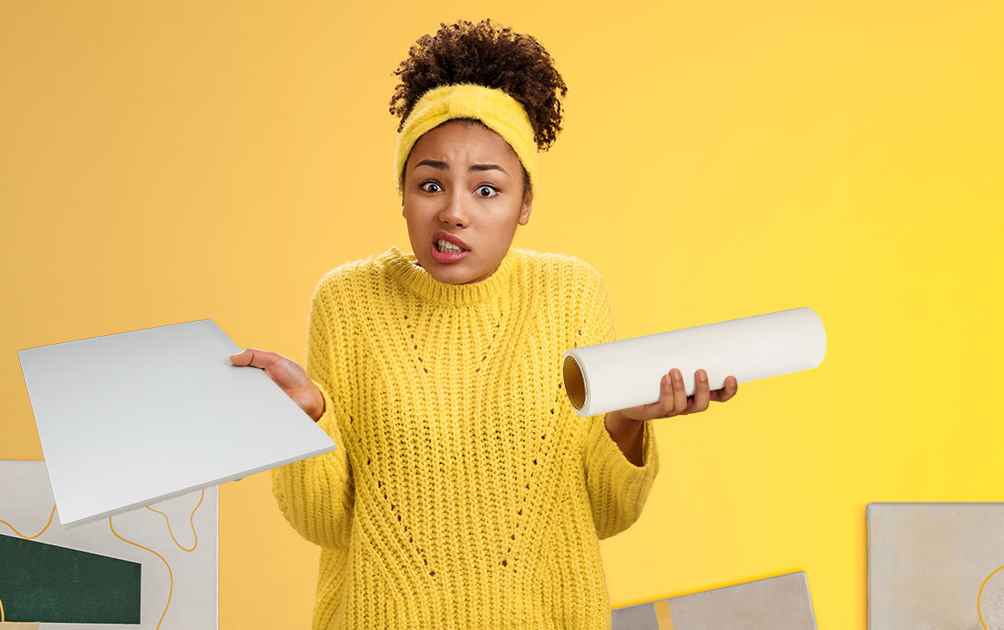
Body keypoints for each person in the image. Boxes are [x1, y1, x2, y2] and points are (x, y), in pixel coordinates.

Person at [230, 18, 738, 629]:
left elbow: (603, 515)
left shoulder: (570, 294)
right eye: (430, 184)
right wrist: (306, 419)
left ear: (525, 203)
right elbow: (327, 525)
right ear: (402, 193)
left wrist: (626, 421)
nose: (454, 212)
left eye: (487, 190)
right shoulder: (347, 302)